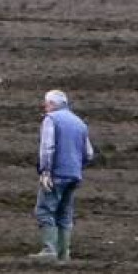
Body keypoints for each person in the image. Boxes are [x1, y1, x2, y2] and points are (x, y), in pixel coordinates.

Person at [31, 89, 94, 262]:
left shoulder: (51, 120)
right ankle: (63, 253)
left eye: (46, 103)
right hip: (74, 175)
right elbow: (88, 153)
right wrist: (76, 167)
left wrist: (45, 172)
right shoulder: (80, 123)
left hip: (56, 174)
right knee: (65, 213)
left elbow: (47, 148)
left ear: (52, 104)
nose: (44, 106)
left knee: (44, 210)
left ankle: (49, 250)